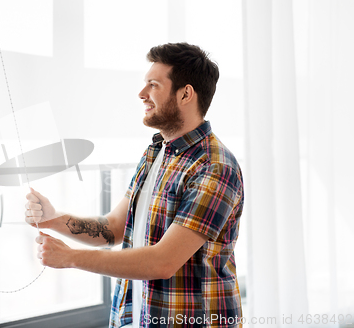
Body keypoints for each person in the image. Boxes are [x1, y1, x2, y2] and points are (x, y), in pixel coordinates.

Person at [25, 42, 244, 328]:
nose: (142, 94)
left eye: (153, 85)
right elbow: (115, 227)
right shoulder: (156, 152)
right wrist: (55, 220)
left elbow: (162, 263)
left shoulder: (214, 166)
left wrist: (69, 258)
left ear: (186, 93)